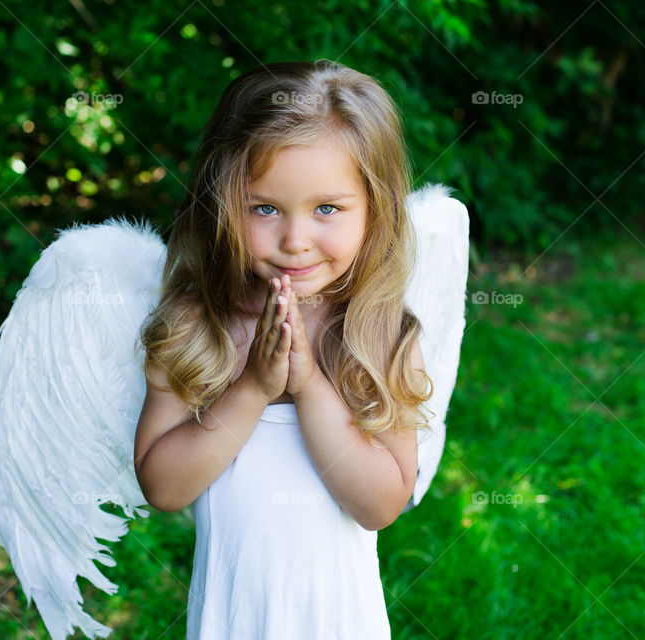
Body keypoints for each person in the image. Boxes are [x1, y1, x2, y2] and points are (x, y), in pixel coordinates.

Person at [133, 59, 435, 639]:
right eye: (265, 208)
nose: (296, 241)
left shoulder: (380, 335)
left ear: (375, 210)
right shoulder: (195, 325)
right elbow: (164, 488)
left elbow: (380, 506)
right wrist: (253, 389)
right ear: (223, 203)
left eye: (327, 208)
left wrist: (308, 386)